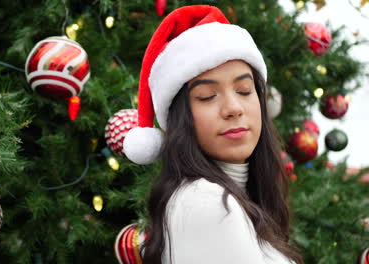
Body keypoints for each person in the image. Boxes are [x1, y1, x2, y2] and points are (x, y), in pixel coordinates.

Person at [122, 5, 304, 264]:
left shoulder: (235, 200)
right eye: (207, 96)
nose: (233, 108)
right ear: (181, 118)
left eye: (244, 90)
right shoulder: (208, 202)